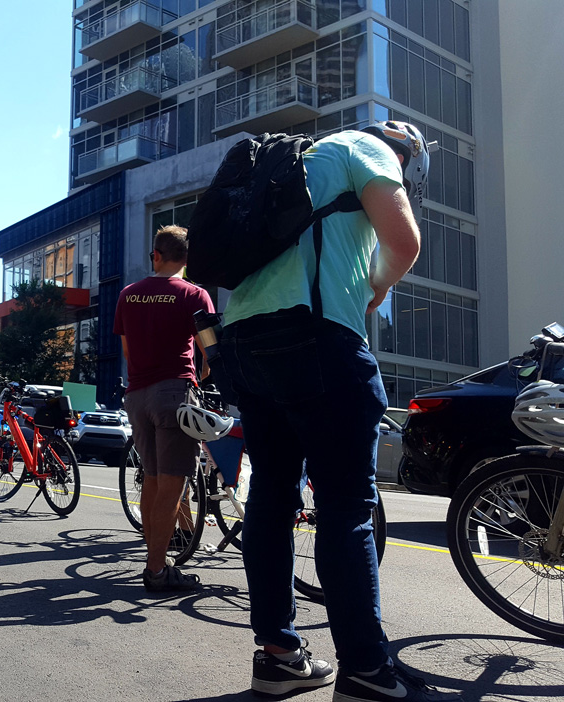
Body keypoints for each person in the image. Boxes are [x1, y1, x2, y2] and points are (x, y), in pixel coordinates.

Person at [218, 122, 459, 701]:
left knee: (272, 499)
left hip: (246, 342)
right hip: (318, 338)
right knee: (346, 507)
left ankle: (277, 657)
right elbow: (404, 243)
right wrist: (375, 288)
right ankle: (366, 671)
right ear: (410, 159)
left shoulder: (295, 161)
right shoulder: (368, 149)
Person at [113, 225, 213, 593]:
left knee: (152, 479)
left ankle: (156, 558)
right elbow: (210, 350)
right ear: (186, 259)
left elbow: (126, 352)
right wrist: (200, 375)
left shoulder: (128, 295)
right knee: (172, 485)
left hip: (137, 396)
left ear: (155, 255)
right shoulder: (194, 295)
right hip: (174, 392)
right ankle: (156, 570)